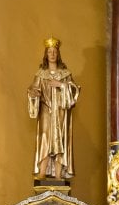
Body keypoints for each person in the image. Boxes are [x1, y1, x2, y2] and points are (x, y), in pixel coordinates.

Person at [26, 37, 80, 179]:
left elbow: (74, 90)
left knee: (60, 139)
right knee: (45, 137)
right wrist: (33, 93)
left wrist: (61, 85)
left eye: (54, 51)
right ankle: (42, 172)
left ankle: (58, 175)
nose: (52, 54)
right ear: (46, 54)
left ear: (58, 54)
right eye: (49, 52)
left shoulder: (65, 74)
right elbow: (33, 89)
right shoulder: (40, 74)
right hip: (46, 110)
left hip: (61, 111)